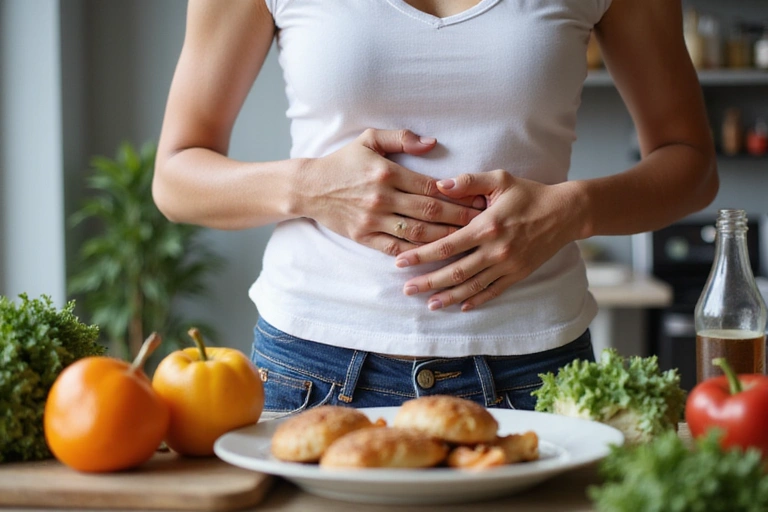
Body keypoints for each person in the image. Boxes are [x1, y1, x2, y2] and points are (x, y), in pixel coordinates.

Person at [153, 0, 718, 415]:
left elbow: (690, 164)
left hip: (533, 367)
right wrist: (311, 187)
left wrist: (573, 209)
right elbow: (177, 178)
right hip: (312, 366)